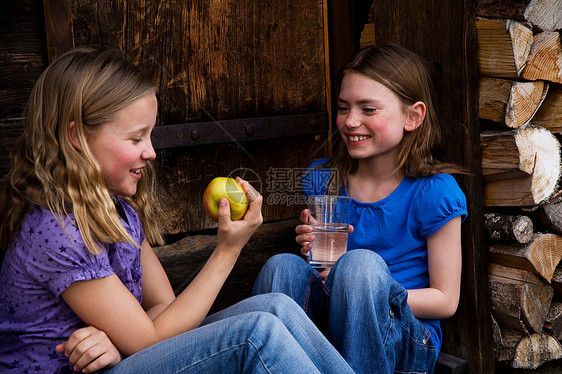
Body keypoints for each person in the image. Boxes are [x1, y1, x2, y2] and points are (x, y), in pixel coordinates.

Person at [0, 47, 355, 374]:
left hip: (117, 362)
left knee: (276, 307)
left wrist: (122, 342)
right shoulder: (57, 229)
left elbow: (164, 309)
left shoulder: (117, 211)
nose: (151, 152)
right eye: (136, 138)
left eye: (150, 136)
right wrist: (228, 249)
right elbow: (152, 337)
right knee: (254, 333)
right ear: (77, 138)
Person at [252, 44, 468, 374]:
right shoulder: (324, 180)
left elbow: (446, 300)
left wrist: (362, 289)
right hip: (333, 332)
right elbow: (323, 272)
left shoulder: (434, 192)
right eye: (343, 108)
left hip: (402, 337)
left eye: (368, 109)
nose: (351, 121)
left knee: (360, 268)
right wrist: (315, 252)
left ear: (412, 117)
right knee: (281, 267)